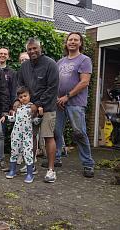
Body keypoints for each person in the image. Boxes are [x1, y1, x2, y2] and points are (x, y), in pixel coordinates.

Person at [18, 38, 59, 183]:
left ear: (40, 48)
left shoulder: (50, 64)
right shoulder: (24, 67)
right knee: (30, 138)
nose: (32, 51)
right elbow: (21, 86)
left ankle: (51, 170)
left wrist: (38, 104)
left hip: (47, 108)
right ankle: (31, 165)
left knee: (48, 137)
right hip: (30, 108)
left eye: (35, 48)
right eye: (29, 49)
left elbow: (52, 88)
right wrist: (20, 102)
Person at [55, 32, 95, 178]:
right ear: (66, 43)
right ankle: (56, 158)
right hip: (59, 102)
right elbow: (55, 82)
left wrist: (67, 96)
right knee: (56, 132)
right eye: (70, 39)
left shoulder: (84, 60)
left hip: (75, 103)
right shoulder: (60, 62)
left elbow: (84, 82)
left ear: (80, 43)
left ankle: (88, 164)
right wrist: (57, 98)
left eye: (75, 40)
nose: (72, 42)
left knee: (79, 133)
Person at [4, 87, 43, 183]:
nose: (23, 98)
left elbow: (36, 121)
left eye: (25, 96)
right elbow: (14, 119)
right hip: (16, 134)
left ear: (29, 96)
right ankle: (12, 170)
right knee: (14, 151)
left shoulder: (32, 108)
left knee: (28, 152)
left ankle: (29, 173)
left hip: (27, 135)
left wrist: (40, 115)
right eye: (21, 97)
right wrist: (5, 118)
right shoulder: (18, 108)